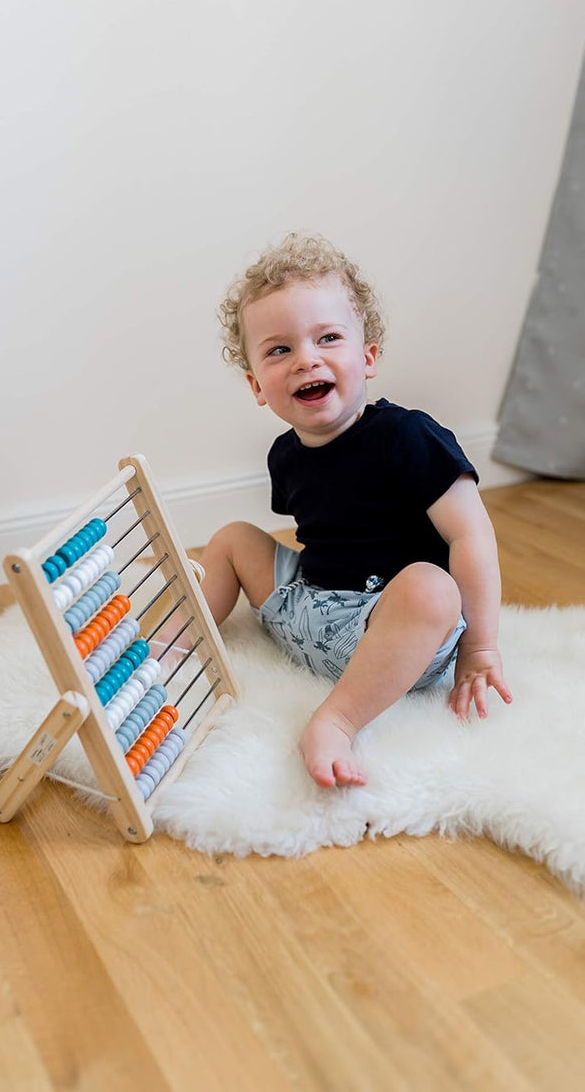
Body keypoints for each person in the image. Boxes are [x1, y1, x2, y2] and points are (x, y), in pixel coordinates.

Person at [197, 232, 512, 789]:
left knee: (432, 587)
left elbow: (472, 536)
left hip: (394, 637)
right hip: (313, 613)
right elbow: (326, 539)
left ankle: (338, 719)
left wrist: (480, 646)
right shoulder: (285, 454)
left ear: (367, 358)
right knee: (231, 539)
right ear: (256, 386)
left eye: (328, 338)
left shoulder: (408, 436)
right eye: (279, 350)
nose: (306, 359)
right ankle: (179, 647)